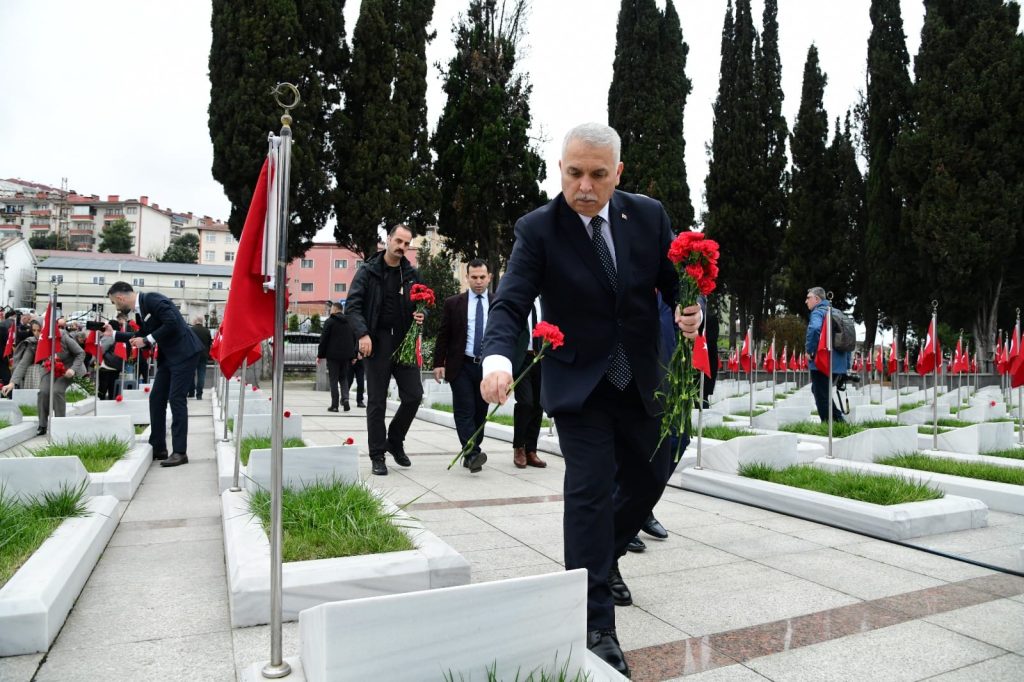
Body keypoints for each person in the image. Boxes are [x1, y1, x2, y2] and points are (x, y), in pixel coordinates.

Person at [479, 122, 701, 677]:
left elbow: (678, 288)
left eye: (598, 175)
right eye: (574, 172)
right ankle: (595, 623)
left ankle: (607, 555)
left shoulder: (647, 217)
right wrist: (499, 359)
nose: (584, 185)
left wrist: (691, 309)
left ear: (617, 174)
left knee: (659, 466)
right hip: (579, 386)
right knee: (589, 493)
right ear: (561, 168)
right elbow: (510, 304)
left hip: (642, 379)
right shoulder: (538, 229)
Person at [345, 224, 425, 476]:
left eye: (406, 243)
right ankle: (377, 454)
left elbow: (423, 301)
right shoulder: (368, 272)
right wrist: (363, 334)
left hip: (404, 344)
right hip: (376, 343)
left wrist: (423, 314)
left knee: (413, 395)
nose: (402, 247)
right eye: (398, 241)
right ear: (388, 239)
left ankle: (395, 440)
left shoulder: (411, 274)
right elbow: (353, 307)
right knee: (377, 402)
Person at [106, 282, 202, 467]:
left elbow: (172, 322)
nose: (116, 306)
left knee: (176, 399)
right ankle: (158, 447)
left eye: (114, 303)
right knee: (156, 398)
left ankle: (180, 452)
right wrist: (115, 334)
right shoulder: (141, 310)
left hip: (184, 353)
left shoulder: (152, 299)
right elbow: (142, 334)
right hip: (169, 357)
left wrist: (147, 339)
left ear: (120, 298)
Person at [431, 259, 493, 473]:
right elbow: (444, 334)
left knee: (480, 412)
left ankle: (472, 451)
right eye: (474, 277)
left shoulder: (497, 303)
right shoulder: (453, 303)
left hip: (487, 367)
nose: (478, 282)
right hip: (461, 365)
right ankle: (472, 453)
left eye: (482, 277)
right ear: (467, 278)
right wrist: (439, 362)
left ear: (489, 278)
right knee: (464, 410)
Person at [4, 318, 86, 435]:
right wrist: (12, 383)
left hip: (68, 368)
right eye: (34, 330)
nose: (37, 334)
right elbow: (23, 363)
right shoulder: (34, 343)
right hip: (49, 368)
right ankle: (42, 425)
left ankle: (60, 424)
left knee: (57, 391)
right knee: (43, 392)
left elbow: (80, 353)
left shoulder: (62, 336)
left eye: (39, 330)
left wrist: (73, 369)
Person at [511, 296, 547, 469]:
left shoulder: (545, 300)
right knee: (525, 402)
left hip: (542, 358)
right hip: (522, 358)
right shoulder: (518, 299)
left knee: (539, 404)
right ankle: (519, 447)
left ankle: (531, 450)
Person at [805, 286, 851, 423]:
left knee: (821, 395)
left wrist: (810, 351)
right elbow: (848, 339)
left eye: (808, 298)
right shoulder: (838, 313)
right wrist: (845, 366)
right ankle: (837, 421)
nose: (806, 301)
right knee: (820, 391)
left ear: (817, 299)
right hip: (839, 364)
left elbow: (814, 329)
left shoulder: (818, 312)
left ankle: (831, 424)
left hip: (822, 362)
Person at [318, 301, 357, 412]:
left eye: (331, 309)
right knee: (343, 378)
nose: (330, 311)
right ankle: (345, 399)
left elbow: (323, 339)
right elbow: (354, 338)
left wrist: (320, 355)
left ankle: (334, 405)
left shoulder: (330, 322)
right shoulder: (349, 322)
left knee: (333, 379)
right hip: (346, 356)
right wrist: (353, 355)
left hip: (333, 356)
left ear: (335, 309)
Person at [97, 320, 124, 400]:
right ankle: (112, 405)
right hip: (116, 366)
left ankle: (101, 404)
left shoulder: (109, 336)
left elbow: (101, 350)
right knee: (113, 389)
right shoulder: (119, 335)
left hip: (107, 366)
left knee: (103, 388)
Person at [189, 316, 212, 400]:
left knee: (191, 374)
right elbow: (209, 343)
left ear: (195, 321)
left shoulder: (191, 330)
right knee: (201, 374)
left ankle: (191, 392)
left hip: (193, 355)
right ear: (202, 322)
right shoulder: (207, 331)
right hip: (203, 355)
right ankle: (199, 395)